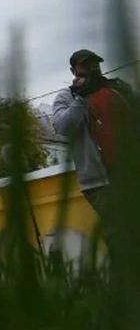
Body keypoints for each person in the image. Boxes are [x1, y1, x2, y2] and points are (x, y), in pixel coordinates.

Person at [52, 49, 134, 217]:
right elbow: (62, 127)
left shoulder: (113, 89)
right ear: (74, 71)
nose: (92, 68)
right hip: (98, 184)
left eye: (94, 64)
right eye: (85, 65)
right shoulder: (67, 97)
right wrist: (81, 98)